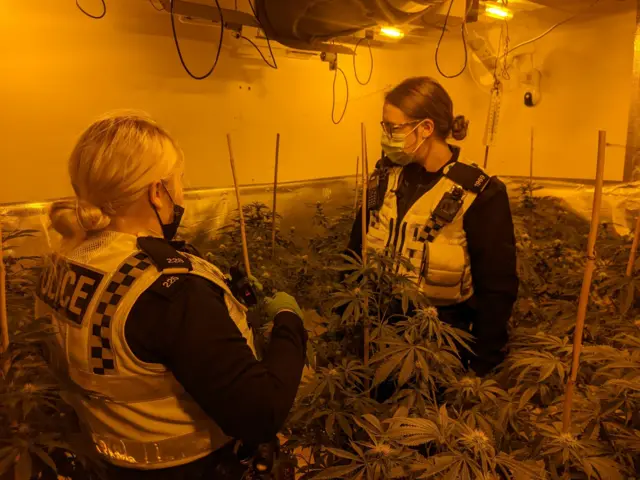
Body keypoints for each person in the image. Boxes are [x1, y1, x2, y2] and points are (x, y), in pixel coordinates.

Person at [35, 112, 307, 479]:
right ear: (157, 192)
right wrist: (289, 324)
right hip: (192, 467)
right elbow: (259, 413)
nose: (182, 192)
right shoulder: (171, 290)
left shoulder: (64, 261)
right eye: (179, 181)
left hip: (103, 460)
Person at [346, 77, 518, 376]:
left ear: (425, 128)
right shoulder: (386, 176)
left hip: (437, 344)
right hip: (376, 331)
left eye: (393, 127)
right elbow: (354, 250)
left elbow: (497, 288)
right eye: (384, 126)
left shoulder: (478, 193)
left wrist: (482, 363)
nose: (386, 135)